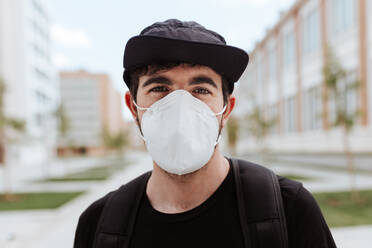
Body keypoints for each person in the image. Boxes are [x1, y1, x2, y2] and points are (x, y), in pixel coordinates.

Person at [73, 19, 337, 248]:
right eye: (160, 88)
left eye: (200, 89)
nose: (180, 106)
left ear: (226, 108)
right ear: (133, 107)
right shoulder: (98, 226)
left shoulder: (289, 210)